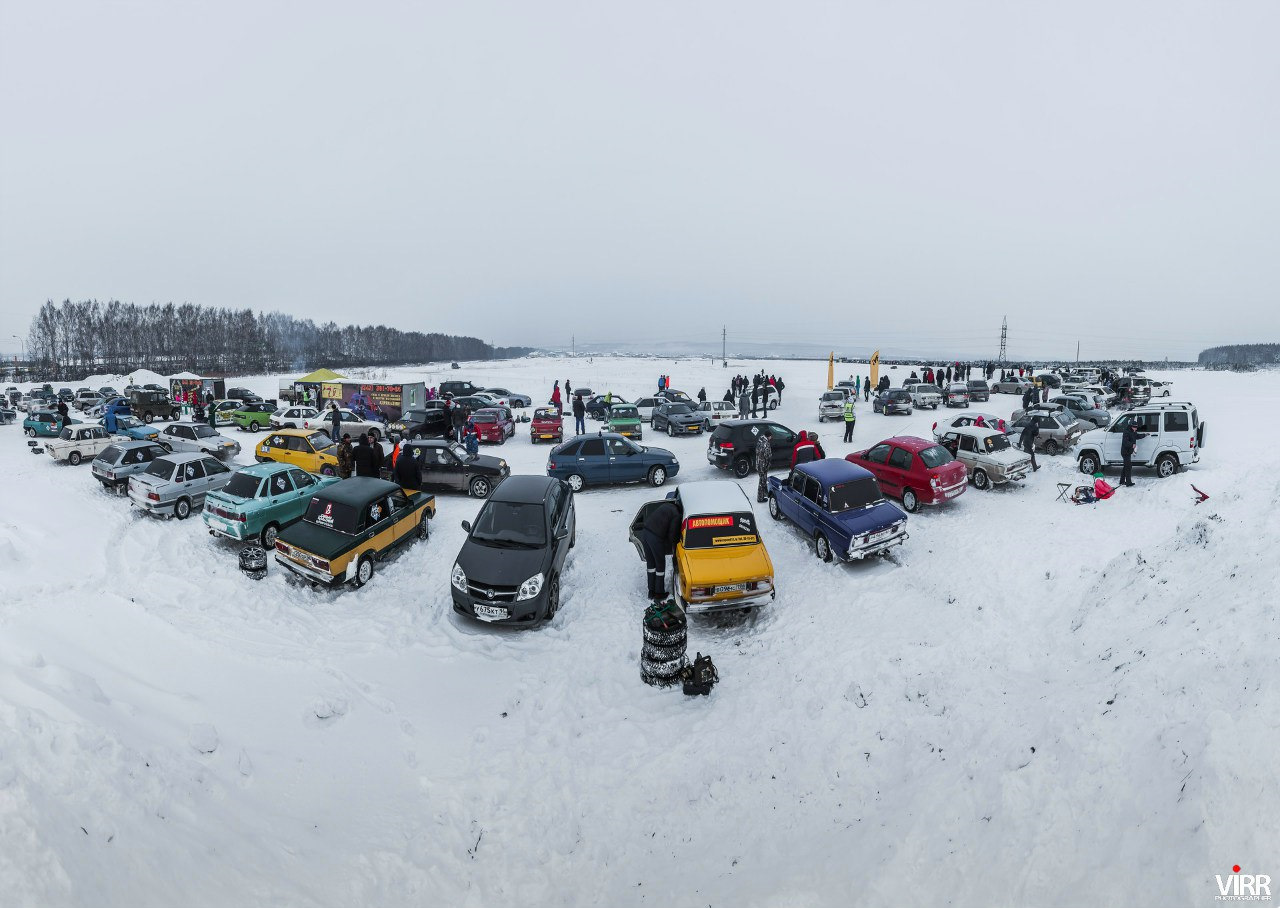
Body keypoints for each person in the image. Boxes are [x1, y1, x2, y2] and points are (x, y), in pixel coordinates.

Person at [640, 498, 681, 601]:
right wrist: (676, 546)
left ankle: (651, 591)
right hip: (655, 537)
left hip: (645, 533)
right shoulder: (676, 514)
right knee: (660, 565)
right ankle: (659, 593)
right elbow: (672, 535)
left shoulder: (666, 506)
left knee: (651, 564)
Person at [1119, 419, 1147, 487]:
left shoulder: (1133, 432)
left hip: (1129, 452)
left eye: (1136, 427)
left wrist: (1145, 435)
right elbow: (1125, 442)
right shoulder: (1126, 432)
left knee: (1126, 466)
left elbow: (1137, 436)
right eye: (1135, 427)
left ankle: (1122, 481)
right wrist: (1132, 445)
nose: (1136, 428)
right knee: (1128, 467)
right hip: (1125, 452)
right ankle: (1128, 483)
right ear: (1132, 426)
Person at [755, 431, 772, 502]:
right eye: (771, 436)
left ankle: (765, 494)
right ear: (769, 436)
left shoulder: (760, 440)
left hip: (758, 463)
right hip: (763, 465)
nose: (772, 437)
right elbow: (767, 455)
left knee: (762, 480)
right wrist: (768, 464)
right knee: (762, 481)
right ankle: (760, 498)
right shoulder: (766, 443)